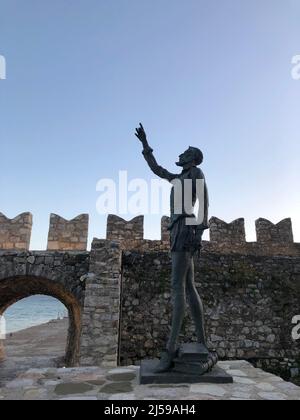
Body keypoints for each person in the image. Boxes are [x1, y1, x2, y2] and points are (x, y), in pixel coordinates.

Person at [135, 124, 209, 372]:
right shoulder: (179, 178)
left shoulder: (196, 173)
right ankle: (202, 342)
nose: (180, 154)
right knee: (189, 286)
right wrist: (145, 145)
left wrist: (199, 231)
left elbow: (204, 203)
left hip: (185, 230)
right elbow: (157, 169)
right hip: (179, 229)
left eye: (185, 152)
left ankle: (170, 349)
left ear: (193, 158)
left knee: (178, 286)